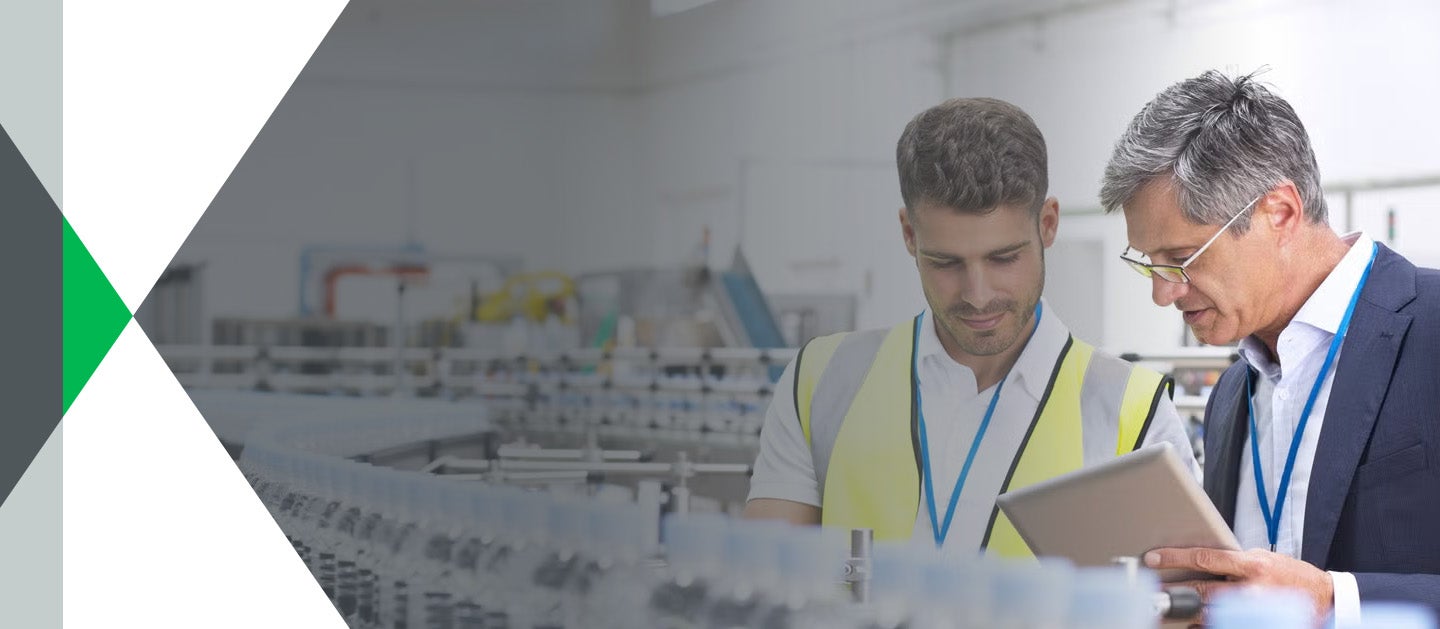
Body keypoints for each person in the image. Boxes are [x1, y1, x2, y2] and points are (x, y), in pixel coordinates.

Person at [743, 97, 1199, 555]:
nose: (977, 295)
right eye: (946, 263)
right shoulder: (822, 382)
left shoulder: (1133, 413)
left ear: (1047, 224)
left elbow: (1183, 593)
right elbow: (764, 575)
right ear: (909, 234)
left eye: (1004, 259)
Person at [1101, 70, 1440, 621]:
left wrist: (1335, 601)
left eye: (1181, 259)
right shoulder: (1232, 394)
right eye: (1150, 265)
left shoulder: (1430, 329)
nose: (1164, 293)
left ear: (1279, 213)